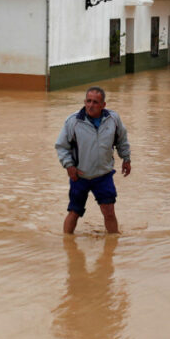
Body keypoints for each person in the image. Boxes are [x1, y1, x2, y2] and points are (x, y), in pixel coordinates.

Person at [55, 86, 131, 234]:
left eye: (95, 102)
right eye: (88, 101)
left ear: (103, 105)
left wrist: (126, 159)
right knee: (74, 212)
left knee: (109, 212)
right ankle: (66, 244)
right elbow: (61, 146)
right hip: (79, 176)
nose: (90, 105)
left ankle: (112, 248)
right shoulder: (73, 121)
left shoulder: (113, 119)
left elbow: (122, 140)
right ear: (84, 101)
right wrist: (69, 166)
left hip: (104, 176)